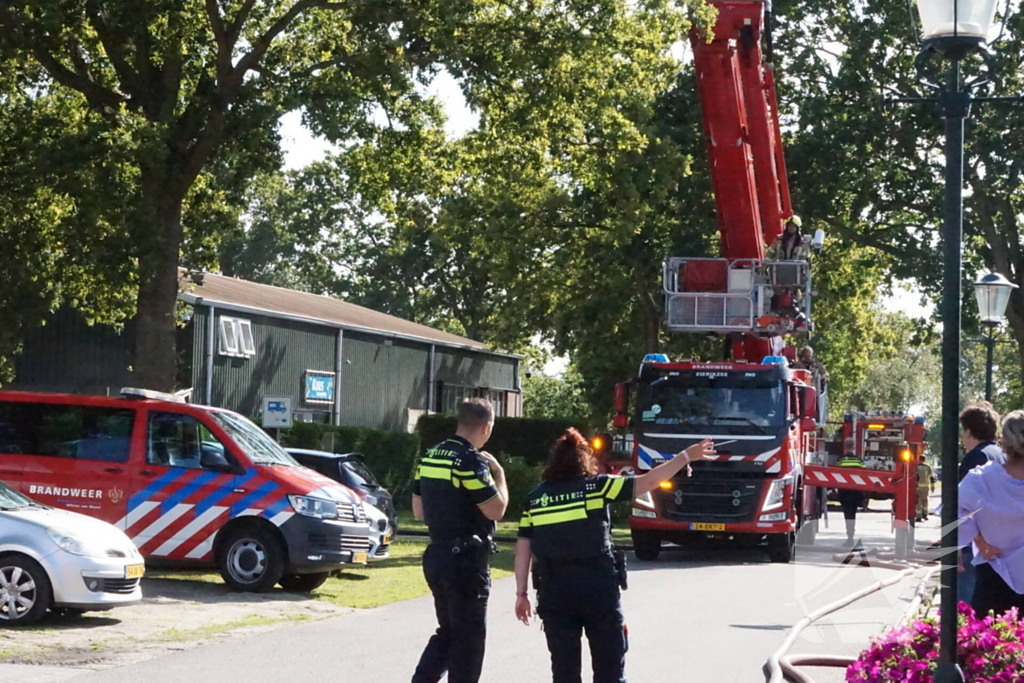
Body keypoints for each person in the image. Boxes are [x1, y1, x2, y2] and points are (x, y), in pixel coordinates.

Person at [513, 430, 716, 683]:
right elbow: (650, 481)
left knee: (564, 670)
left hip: (555, 590)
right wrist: (686, 456)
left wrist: (521, 594)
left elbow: (523, 549)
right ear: (584, 460)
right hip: (597, 587)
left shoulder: (535, 499)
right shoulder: (598, 487)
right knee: (610, 666)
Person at [411, 399, 509, 683]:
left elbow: (418, 511)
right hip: (465, 560)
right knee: (469, 640)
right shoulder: (470, 460)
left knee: (448, 631)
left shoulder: (430, 456)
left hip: (436, 555)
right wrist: (500, 475)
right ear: (485, 427)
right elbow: (497, 509)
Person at [959, 411, 1024, 618]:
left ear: (1003, 441)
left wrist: (978, 540)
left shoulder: (980, 479)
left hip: (994, 572)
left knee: (989, 643)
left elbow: (954, 510)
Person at [957, 401, 1006, 607]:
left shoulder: (975, 458)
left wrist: (961, 546)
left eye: (962, 431)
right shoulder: (1002, 454)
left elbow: (966, 507)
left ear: (969, 431)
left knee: (967, 605)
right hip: (1001, 543)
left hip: (978, 546)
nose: (961, 438)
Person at [836, 437, 866, 547]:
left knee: (847, 514)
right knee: (852, 514)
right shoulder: (859, 461)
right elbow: (864, 475)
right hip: (856, 493)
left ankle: (849, 537)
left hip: (844, 492)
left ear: (845, 447)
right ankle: (850, 536)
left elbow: (835, 474)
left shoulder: (841, 460)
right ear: (854, 447)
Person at [915, 455, 935, 522]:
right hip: (926, 487)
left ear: (919, 459)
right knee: (925, 501)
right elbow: (932, 477)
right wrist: (932, 486)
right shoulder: (927, 467)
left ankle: (918, 516)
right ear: (924, 460)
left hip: (917, 487)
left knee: (918, 502)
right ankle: (925, 515)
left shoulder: (915, 467)